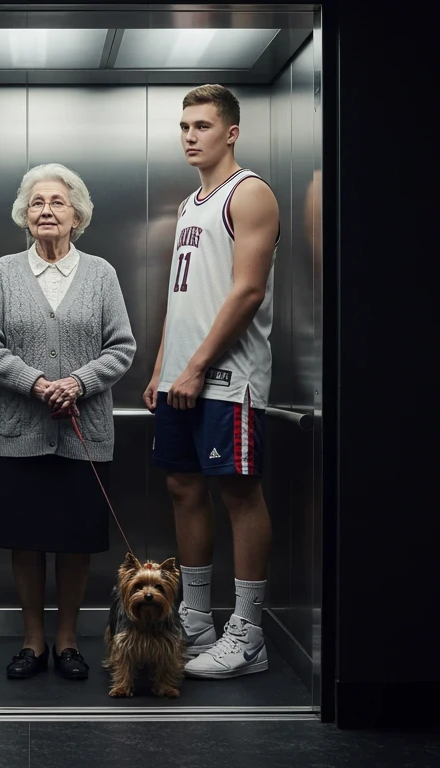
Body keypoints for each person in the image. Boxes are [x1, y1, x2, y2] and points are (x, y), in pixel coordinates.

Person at [0, 163, 136, 681]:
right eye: (37, 202)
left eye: (58, 202)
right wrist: (40, 383)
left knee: (75, 539)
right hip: (19, 433)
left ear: (77, 215)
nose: (46, 210)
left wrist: (79, 384)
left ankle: (67, 641)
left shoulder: (102, 273)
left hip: (85, 437)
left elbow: (122, 347)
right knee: (26, 539)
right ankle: (32, 641)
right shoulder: (3, 271)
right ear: (25, 215)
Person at [143, 84, 281, 680]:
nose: (190, 136)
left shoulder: (248, 194)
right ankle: (196, 618)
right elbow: (182, 297)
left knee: (238, 493)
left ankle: (248, 635)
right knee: (183, 487)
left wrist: (198, 365)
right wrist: (163, 367)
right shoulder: (189, 203)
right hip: (181, 376)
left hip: (227, 379)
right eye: (183, 126)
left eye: (201, 126)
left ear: (231, 133)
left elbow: (247, 291)